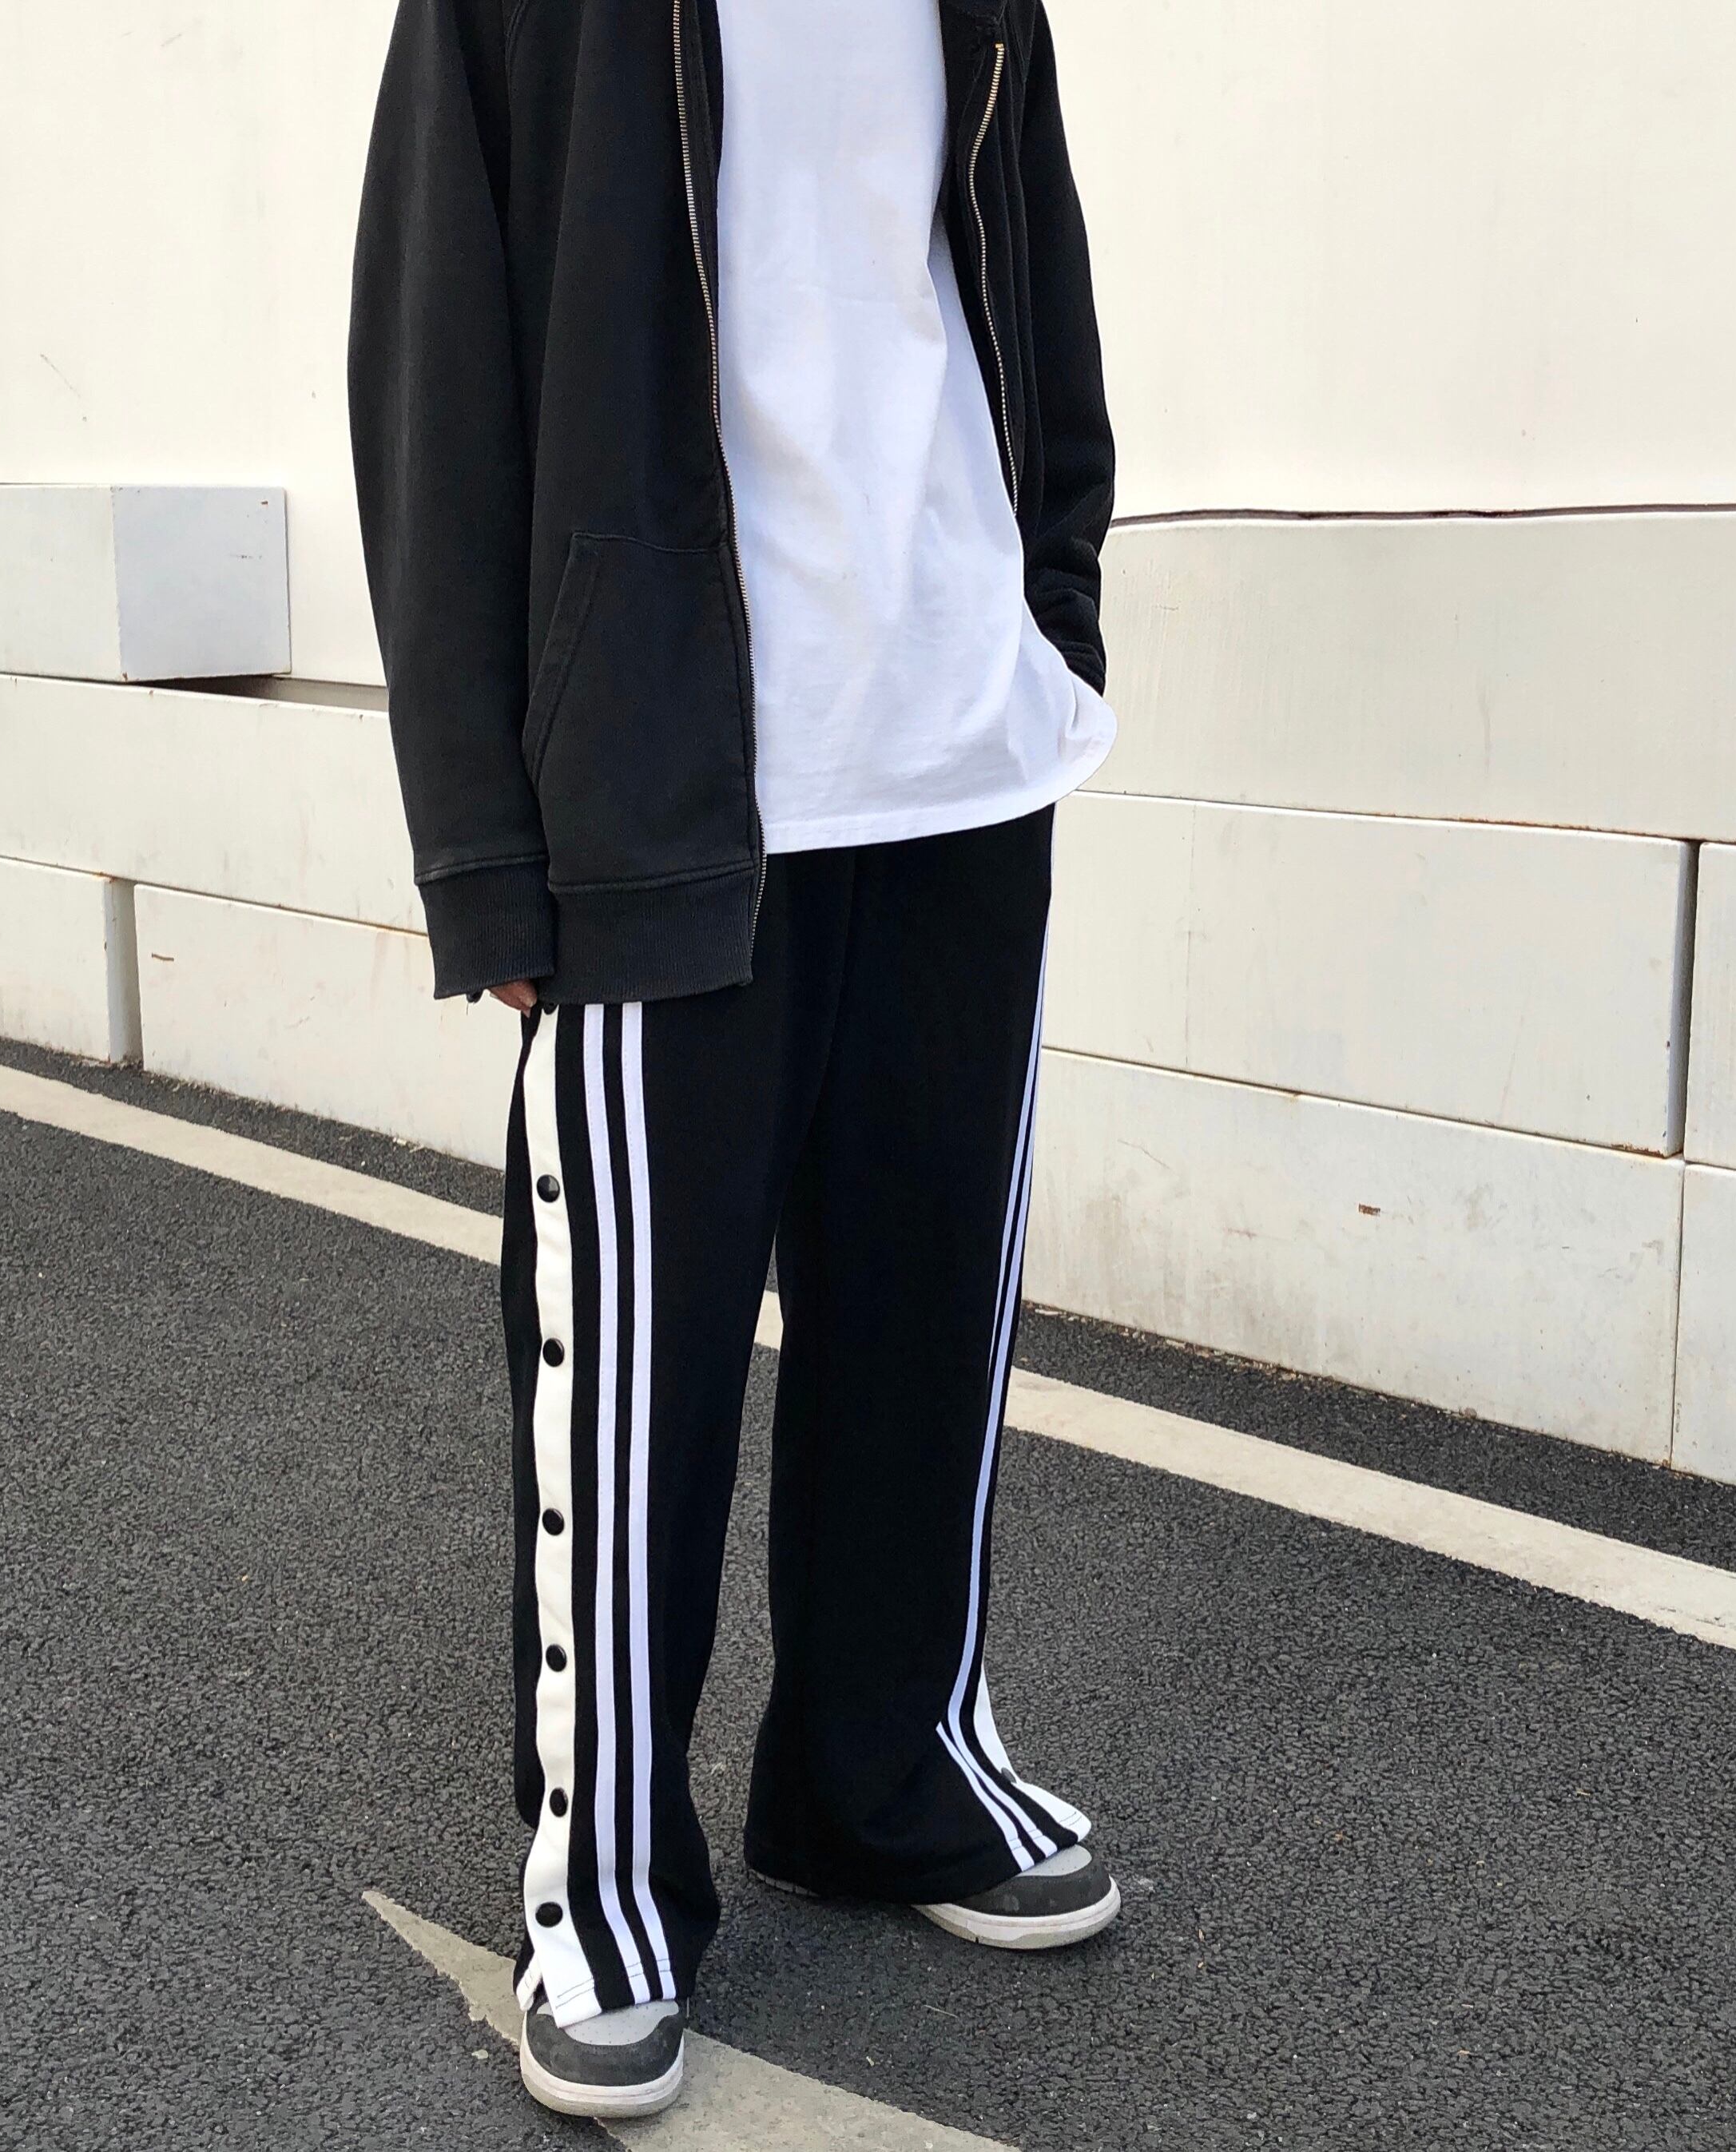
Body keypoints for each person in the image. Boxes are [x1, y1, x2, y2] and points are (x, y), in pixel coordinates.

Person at [349, 0, 1121, 2119]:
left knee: (928, 1334)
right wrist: (488, 849)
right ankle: (602, 1878)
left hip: (958, 764)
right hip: (675, 790)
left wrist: (1050, 617)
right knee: (635, 1384)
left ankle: (889, 1771)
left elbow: (1031, 277)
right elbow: (434, 363)